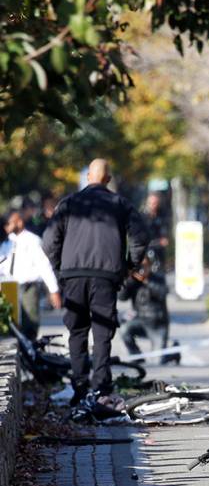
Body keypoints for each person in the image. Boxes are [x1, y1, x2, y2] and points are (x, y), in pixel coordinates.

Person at [42, 159, 148, 413]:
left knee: (77, 333)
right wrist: (128, 267)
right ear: (108, 179)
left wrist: (61, 269)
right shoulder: (120, 204)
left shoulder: (68, 204)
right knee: (102, 334)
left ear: (88, 176)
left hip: (73, 277)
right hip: (106, 277)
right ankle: (100, 389)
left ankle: (80, 390)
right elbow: (141, 238)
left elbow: (49, 242)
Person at [2, 210, 63, 339]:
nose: (6, 227)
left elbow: (44, 266)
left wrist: (53, 290)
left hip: (27, 288)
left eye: (9, 223)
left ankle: (31, 352)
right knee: (11, 325)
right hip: (9, 288)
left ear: (19, 221)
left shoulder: (32, 240)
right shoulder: (6, 243)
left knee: (30, 323)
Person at [119, 250, 175, 364]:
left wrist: (146, 280)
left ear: (150, 265)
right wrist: (129, 280)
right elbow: (121, 297)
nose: (142, 269)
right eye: (140, 266)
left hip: (157, 325)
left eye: (145, 265)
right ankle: (136, 356)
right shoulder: (134, 281)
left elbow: (162, 292)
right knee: (123, 329)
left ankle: (174, 353)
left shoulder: (158, 278)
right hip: (140, 321)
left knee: (158, 361)